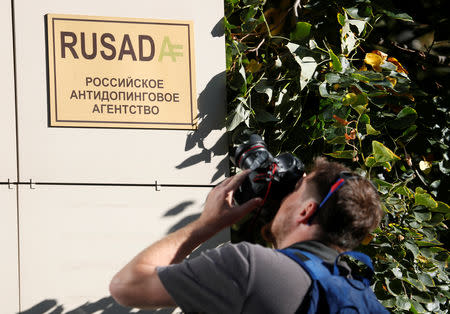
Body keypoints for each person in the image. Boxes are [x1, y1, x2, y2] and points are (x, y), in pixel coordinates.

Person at [109, 157, 383, 313]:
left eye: (296, 191)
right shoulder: (356, 291)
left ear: (306, 211)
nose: (285, 198)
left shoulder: (249, 267)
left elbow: (127, 286)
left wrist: (205, 225)